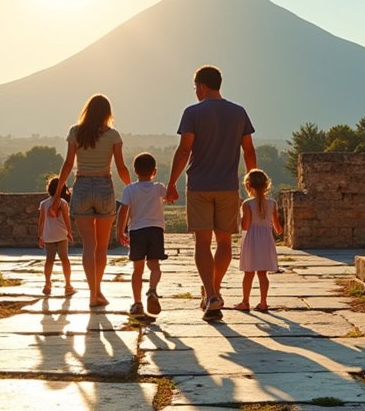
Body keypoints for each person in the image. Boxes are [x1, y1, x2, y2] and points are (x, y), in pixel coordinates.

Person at [166, 65, 256, 321]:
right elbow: (249, 150)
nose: (195, 92)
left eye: (195, 87)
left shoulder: (192, 112)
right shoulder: (239, 112)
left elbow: (184, 150)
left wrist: (171, 182)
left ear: (202, 86)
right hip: (228, 186)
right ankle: (213, 291)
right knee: (225, 242)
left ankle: (211, 293)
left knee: (203, 242)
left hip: (199, 186)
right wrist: (252, 181)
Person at [51, 94, 132, 308]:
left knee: (89, 246)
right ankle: (97, 291)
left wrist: (57, 196)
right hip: (104, 186)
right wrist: (132, 188)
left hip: (82, 186)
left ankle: (93, 294)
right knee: (101, 248)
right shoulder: (113, 135)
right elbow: (121, 167)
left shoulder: (75, 132)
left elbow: (68, 165)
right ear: (107, 113)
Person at [116, 153, 168, 318]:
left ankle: (137, 303)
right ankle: (152, 290)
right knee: (155, 266)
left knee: (137, 270)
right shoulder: (159, 188)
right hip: (155, 230)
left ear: (135, 171)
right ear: (154, 171)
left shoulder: (129, 189)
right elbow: (172, 197)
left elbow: (123, 211)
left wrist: (120, 231)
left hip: (137, 231)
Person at [234, 169, 282, 311]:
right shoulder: (272, 203)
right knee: (263, 273)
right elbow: (278, 228)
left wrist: (240, 215)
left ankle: (245, 302)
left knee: (249, 273)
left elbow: (245, 226)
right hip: (266, 239)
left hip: (251, 239)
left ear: (248, 185)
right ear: (266, 185)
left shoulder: (247, 204)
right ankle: (263, 302)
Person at [37, 177, 75, 296]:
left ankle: (47, 284)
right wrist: (69, 232)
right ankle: (68, 285)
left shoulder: (43, 204)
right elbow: (66, 219)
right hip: (61, 235)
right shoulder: (63, 203)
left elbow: (41, 221)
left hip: (48, 235)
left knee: (49, 260)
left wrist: (40, 236)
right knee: (65, 259)